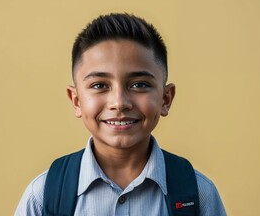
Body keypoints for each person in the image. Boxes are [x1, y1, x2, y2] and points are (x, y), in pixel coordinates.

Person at [14, 13, 226, 216]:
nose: (119, 103)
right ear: (76, 101)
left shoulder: (199, 194)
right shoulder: (42, 196)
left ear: (166, 98)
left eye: (139, 84)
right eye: (99, 85)